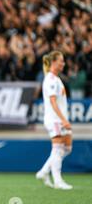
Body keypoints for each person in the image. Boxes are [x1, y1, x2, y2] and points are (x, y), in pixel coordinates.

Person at [36, 51, 73, 190]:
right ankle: (58, 180)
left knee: (67, 148)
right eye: (61, 61)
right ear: (53, 62)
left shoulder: (56, 79)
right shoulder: (51, 80)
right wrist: (63, 119)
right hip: (55, 119)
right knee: (57, 149)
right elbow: (52, 102)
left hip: (60, 118)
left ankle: (44, 171)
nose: (63, 63)